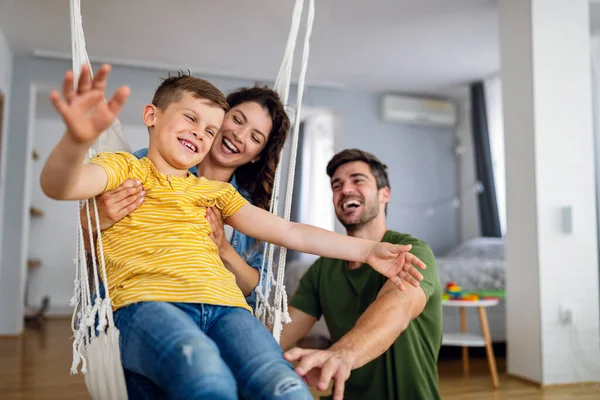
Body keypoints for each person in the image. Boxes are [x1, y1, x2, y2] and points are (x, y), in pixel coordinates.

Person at [43, 64, 427, 400]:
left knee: (286, 386)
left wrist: (366, 251)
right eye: (191, 119)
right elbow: (61, 185)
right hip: (150, 302)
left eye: (209, 129)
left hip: (228, 310)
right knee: (204, 372)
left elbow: (290, 231)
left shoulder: (219, 194)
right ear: (151, 116)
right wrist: (76, 142)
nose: (201, 133)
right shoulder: (125, 167)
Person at [279, 149, 443, 400]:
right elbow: (284, 330)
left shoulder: (412, 251)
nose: (345, 190)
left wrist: (342, 354)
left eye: (358, 180)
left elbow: (397, 307)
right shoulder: (323, 268)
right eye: (337, 185)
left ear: (384, 194)